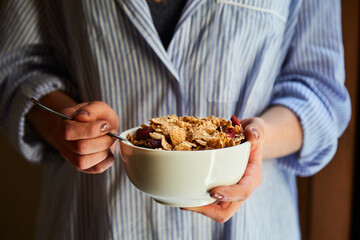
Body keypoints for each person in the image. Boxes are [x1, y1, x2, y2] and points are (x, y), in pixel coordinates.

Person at [0, 0, 351, 239]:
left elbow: (319, 90)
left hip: (252, 222)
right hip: (96, 215)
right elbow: (17, 71)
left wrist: (254, 140)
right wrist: (68, 123)